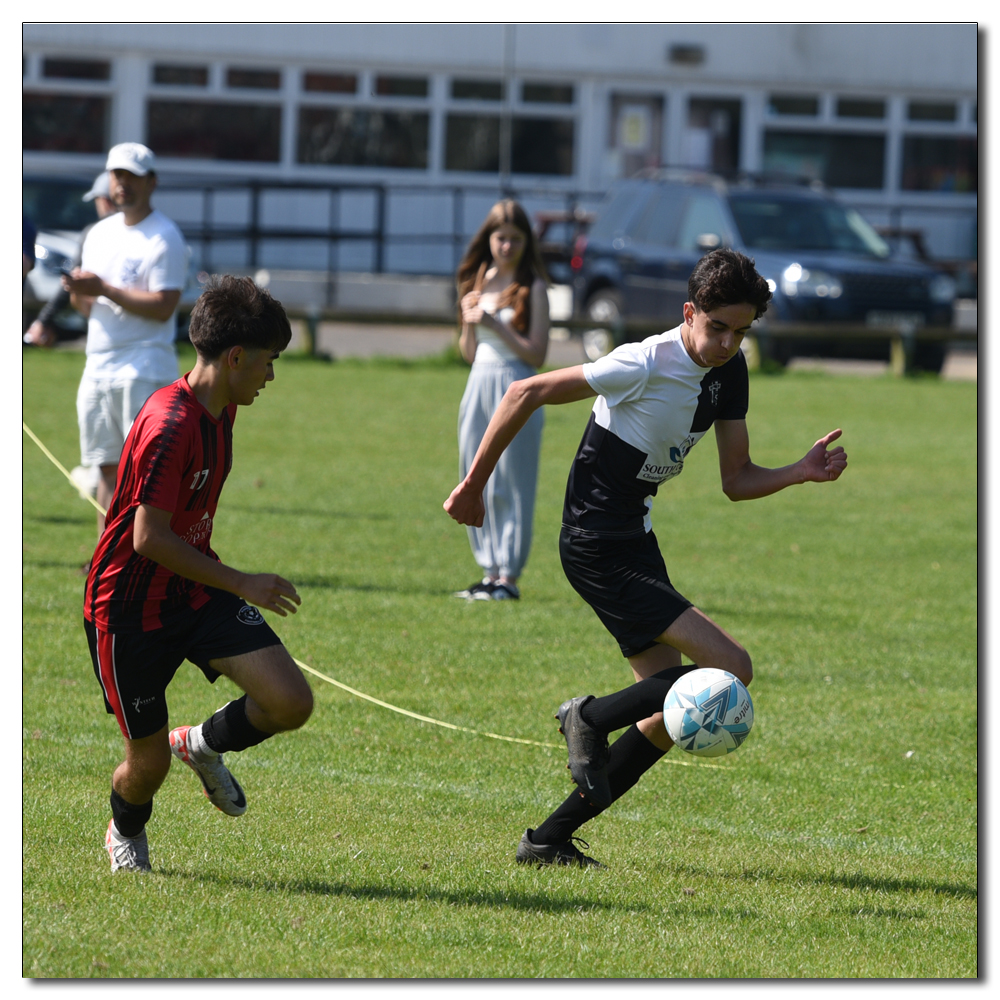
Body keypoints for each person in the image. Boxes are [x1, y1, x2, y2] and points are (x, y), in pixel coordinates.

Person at [444, 249, 848, 867]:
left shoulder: (729, 370)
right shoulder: (643, 361)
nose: (728, 343)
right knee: (729, 668)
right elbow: (525, 390)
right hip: (594, 542)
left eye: (741, 332)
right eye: (718, 328)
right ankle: (587, 715)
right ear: (690, 313)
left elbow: (735, 479)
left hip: (635, 538)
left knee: (665, 713)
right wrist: (474, 485)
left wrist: (799, 471)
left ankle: (548, 839)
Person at [84, 275, 314, 873]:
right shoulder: (170, 425)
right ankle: (125, 830)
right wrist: (242, 581)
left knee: (289, 702)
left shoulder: (221, 409)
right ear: (236, 357)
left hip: (191, 589)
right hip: (128, 612)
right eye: (269, 362)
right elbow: (147, 538)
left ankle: (203, 744)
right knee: (147, 766)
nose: (271, 376)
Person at [62, 142, 187, 539]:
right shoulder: (99, 233)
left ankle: (144, 555)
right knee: (104, 467)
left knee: (146, 473)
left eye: (132, 176)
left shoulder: (164, 236)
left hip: (145, 366)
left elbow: (165, 306)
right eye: (117, 175)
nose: (123, 184)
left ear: (152, 182)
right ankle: (105, 555)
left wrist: (104, 289)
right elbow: (88, 306)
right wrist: (78, 292)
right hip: (98, 363)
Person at [452, 200, 550, 601]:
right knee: (476, 473)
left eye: (515, 239)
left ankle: (509, 574)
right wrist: (469, 321)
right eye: (500, 238)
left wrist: (495, 324)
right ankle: (488, 571)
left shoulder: (534, 288)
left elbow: (537, 353)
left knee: (513, 478)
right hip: (479, 382)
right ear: (488, 239)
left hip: (517, 385)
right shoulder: (479, 279)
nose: (506, 246)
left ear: (527, 242)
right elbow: (469, 352)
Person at [25, 171, 117, 349]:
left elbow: (71, 280)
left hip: (106, 325)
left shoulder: (94, 232)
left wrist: (43, 320)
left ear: (105, 201)